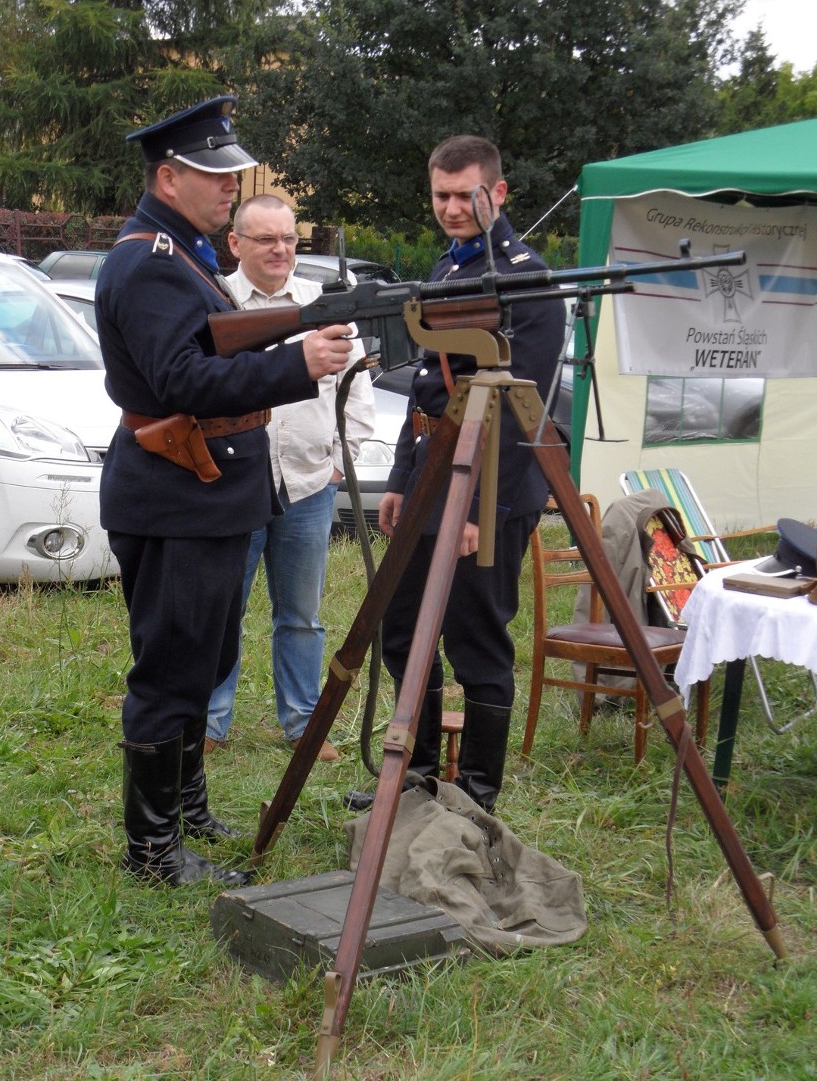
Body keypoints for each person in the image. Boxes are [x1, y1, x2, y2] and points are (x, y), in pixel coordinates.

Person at [95, 97, 353, 886]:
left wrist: (301, 320)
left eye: (232, 174)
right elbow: (182, 378)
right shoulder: (150, 263)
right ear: (168, 177)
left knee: (203, 660)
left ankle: (186, 810)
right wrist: (297, 363)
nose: (229, 189)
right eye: (214, 176)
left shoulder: (186, 255)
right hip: (175, 498)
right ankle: (153, 852)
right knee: (169, 673)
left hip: (201, 496)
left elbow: (212, 340)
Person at [377, 135, 566, 813]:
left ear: (498, 193)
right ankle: (417, 776)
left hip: (491, 487)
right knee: (401, 628)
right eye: (442, 196)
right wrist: (401, 478)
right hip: (433, 473)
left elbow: (519, 416)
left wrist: (476, 512)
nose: (453, 208)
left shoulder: (529, 281)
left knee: (477, 636)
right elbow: (429, 393)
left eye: (466, 195)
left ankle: (477, 795)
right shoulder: (448, 268)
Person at [205, 195, 375, 761]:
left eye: (289, 239)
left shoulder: (326, 308)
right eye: (266, 239)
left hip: (307, 487)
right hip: (232, 487)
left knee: (301, 616)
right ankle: (209, 723)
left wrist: (335, 463)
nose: (281, 250)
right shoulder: (216, 301)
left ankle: (303, 724)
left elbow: (357, 398)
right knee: (222, 610)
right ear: (236, 243)